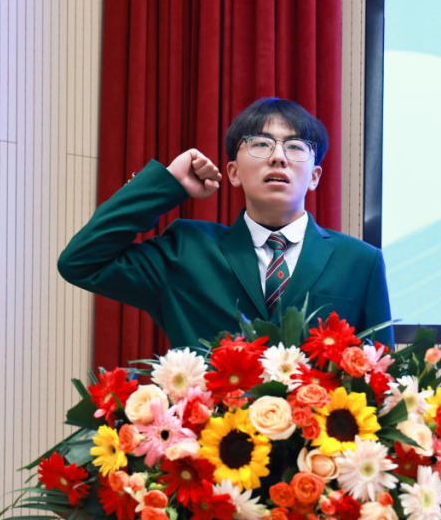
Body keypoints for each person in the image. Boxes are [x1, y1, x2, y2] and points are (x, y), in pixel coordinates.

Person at [57, 96, 393, 349]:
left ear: (315, 176)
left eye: (295, 146)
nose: (278, 156)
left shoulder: (360, 262)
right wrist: (166, 185)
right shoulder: (187, 250)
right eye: (261, 144)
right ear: (233, 172)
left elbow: (382, 375)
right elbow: (81, 263)